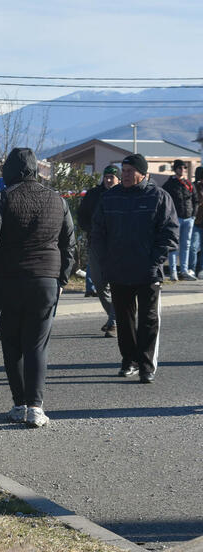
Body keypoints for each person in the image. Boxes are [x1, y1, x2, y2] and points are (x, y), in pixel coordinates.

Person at [0, 148, 75, 428]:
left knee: (12, 345)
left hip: (10, 279)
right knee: (37, 345)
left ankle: (19, 404)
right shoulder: (57, 199)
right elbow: (68, 243)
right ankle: (36, 407)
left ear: (10, 171)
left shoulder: (3, 198)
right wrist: (62, 279)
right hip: (46, 279)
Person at [91, 153, 178, 383]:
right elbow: (98, 232)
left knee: (148, 319)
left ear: (142, 173)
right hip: (119, 269)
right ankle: (129, 360)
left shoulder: (158, 197)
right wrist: (105, 260)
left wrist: (155, 260)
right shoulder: (111, 198)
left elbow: (170, 233)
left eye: (130, 172)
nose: (125, 175)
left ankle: (147, 365)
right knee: (124, 319)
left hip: (148, 270)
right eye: (124, 171)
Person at [76, 165, 119, 336]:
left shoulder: (124, 194)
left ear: (119, 179)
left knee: (116, 285)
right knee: (99, 284)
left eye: (112, 177)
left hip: (118, 247)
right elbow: (81, 215)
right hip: (96, 244)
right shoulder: (94, 194)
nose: (108, 180)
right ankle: (117, 316)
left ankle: (115, 322)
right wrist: (91, 229)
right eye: (106, 177)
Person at [161, 159, 198, 281]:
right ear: (175, 169)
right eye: (180, 168)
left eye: (184, 168)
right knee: (174, 246)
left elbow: (195, 200)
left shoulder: (188, 183)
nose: (182, 170)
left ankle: (184, 270)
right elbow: (164, 200)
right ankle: (173, 272)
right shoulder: (169, 184)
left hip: (188, 218)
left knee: (186, 245)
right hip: (175, 219)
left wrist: (193, 215)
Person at [192, 167, 203, 277]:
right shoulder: (194, 186)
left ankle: (200, 269)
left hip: (200, 220)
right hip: (196, 220)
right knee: (193, 246)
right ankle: (192, 268)